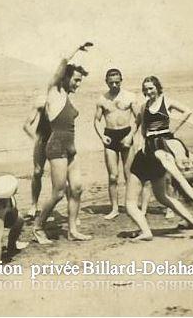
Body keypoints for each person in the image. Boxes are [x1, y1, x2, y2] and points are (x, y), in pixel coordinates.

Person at [125, 76, 193, 241]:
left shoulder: (164, 103)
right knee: (162, 197)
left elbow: (187, 111)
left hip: (148, 154)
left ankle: (146, 232)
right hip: (149, 150)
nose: (148, 91)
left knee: (130, 204)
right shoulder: (144, 107)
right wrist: (139, 140)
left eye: (151, 88)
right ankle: (191, 221)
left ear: (158, 87)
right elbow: (142, 127)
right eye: (145, 89)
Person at [33, 42, 93, 244]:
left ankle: (72, 230)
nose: (78, 84)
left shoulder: (65, 95)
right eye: (76, 80)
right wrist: (76, 47)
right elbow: (62, 63)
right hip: (56, 148)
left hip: (70, 149)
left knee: (76, 188)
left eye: (80, 81)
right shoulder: (54, 91)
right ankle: (38, 227)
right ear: (65, 77)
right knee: (58, 192)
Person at [94, 68, 139, 219]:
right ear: (106, 81)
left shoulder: (130, 96)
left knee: (129, 174)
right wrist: (102, 136)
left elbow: (138, 118)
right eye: (111, 82)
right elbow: (96, 120)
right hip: (110, 136)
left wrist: (131, 136)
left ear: (121, 81)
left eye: (117, 82)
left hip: (126, 134)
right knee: (113, 176)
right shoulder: (102, 99)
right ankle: (114, 209)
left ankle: (130, 205)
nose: (114, 85)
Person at [23, 94, 51, 218]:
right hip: (43, 139)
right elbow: (26, 125)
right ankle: (34, 205)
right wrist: (36, 139)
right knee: (37, 172)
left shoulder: (64, 100)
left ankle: (70, 210)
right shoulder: (41, 101)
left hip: (57, 141)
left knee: (62, 175)